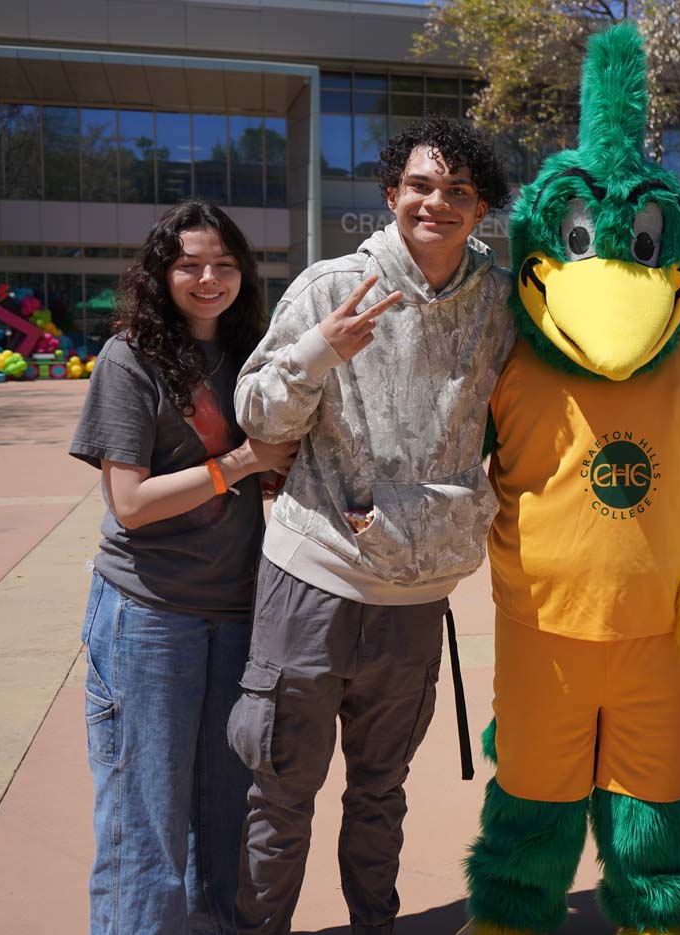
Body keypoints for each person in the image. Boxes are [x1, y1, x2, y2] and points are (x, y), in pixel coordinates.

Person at [229, 117, 513, 935]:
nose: (438, 202)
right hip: (314, 581)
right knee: (279, 793)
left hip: (418, 599)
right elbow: (257, 413)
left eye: (459, 191)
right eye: (421, 186)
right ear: (391, 194)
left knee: (381, 794)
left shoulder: (500, 300)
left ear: (481, 207)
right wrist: (319, 350)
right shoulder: (329, 286)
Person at [68, 201, 298, 935]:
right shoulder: (129, 357)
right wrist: (241, 462)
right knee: (148, 819)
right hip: (149, 613)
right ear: (160, 272)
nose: (208, 278)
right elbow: (130, 501)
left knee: (225, 808)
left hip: (235, 613)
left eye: (224, 264)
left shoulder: (252, 354)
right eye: (190, 264)